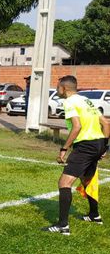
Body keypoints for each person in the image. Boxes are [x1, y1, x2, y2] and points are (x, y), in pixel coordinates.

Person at [43, 75, 110, 235]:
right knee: (87, 180)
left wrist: (64, 148)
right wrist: (104, 147)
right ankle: (94, 215)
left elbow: (77, 126)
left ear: (63, 88)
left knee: (64, 183)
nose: (57, 89)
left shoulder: (69, 102)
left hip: (85, 146)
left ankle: (62, 226)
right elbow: (106, 123)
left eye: (58, 86)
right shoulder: (85, 100)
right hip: (98, 143)